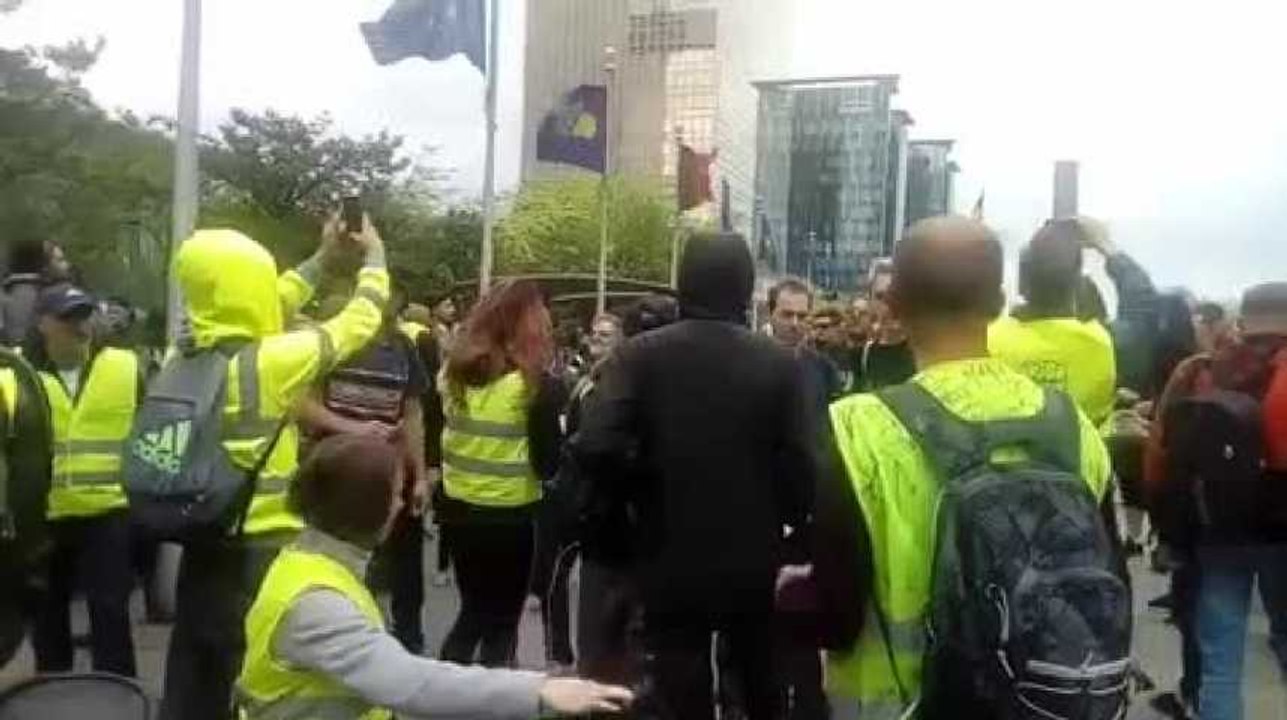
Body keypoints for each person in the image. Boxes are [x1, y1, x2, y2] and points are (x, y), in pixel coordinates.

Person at [813, 217, 1114, 719]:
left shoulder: (855, 429)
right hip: (1043, 700)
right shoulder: (1073, 426)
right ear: (999, 303)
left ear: (895, 304)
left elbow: (835, 617)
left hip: (897, 704)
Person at [572, 232, 813, 720]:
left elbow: (595, 444)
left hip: (666, 551)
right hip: (753, 556)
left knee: (677, 685)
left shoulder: (638, 357)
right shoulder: (781, 366)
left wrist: (634, 498)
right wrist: (785, 517)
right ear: (745, 289)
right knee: (760, 679)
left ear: (684, 283)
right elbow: (806, 462)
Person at [160, 215, 389, 720]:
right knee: (249, 681)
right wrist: (373, 259)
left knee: (192, 678)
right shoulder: (270, 363)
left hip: (202, 539)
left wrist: (321, 259)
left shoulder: (182, 355)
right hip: (259, 553)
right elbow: (359, 323)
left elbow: (269, 303)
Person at [236, 433, 634, 719]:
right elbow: (411, 683)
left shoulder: (308, 562)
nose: (401, 503)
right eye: (394, 493)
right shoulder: (317, 605)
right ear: (368, 508)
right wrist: (541, 690)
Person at [1145, 283, 1287, 720]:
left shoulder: (1199, 370)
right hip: (1282, 534)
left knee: (1220, 661)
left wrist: (1167, 527)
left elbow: (1159, 455)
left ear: (1243, 321)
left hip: (1217, 530)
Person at [295, 278, 432, 655]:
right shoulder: (332, 344)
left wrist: (418, 475)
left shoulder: (403, 347)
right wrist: (355, 429)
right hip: (336, 471)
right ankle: (344, 636)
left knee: (402, 565)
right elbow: (301, 404)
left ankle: (407, 640)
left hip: (388, 471)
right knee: (341, 556)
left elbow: (412, 414)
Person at [437, 280, 566, 667]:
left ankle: (442, 693)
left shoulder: (453, 375)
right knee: (501, 623)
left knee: (471, 611)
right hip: (510, 517)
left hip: (458, 511)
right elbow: (547, 464)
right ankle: (494, 696)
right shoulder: (535, 387)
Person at [24, 284, 141, 677]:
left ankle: (118, 688)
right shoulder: (20, 375)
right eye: (68, 318)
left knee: (110, 608)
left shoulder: (124, 366)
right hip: (45, 512)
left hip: (108, 510)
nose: (80, 326)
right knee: (46, 609)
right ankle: (51, 683)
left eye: (84, 315)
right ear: (43, 324)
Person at [533, 312, 624, 671]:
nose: (596, 339)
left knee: (583, 578)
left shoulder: (616, 383)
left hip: (594, 498)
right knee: (555, 573)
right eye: (594, 333)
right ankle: (561, 652)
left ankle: (586, 656)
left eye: (606, 334)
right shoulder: (583, 380)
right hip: (570, 491)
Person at [989, 218, 1117, 425]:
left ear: (1022, 282)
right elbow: (1143, 308)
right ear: (1077, 286)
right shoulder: (1100, 342)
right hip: (1080, 455)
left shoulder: (987, 341)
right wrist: (1108, 248)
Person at [768, 278, 843, 416]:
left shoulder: (824, 369)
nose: (794, 323)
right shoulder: (752, 364)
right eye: (787, 315)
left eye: (802, 316)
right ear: (771, 314)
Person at [852, 258, 915, 393]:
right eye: (881, 297)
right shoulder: (861, 357)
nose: (890, 304)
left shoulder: (929, 354)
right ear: (870, 302)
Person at [2, 238, 72, 347]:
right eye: (60, 260)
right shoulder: (36, 295)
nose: (67, 265)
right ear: (44, 265)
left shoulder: (10, 293)